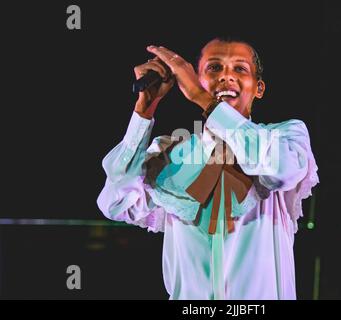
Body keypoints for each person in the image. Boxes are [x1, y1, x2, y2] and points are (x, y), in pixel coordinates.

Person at [97, 37, 319, 300]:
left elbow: (281, 170)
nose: (226, 76)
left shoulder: (285, 137)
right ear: (193, 79)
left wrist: (204, 100)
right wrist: (145, 108)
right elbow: (116, 203)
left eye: (240, 69)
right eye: (214, 68)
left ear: (258, 88)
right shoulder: (170, 155)